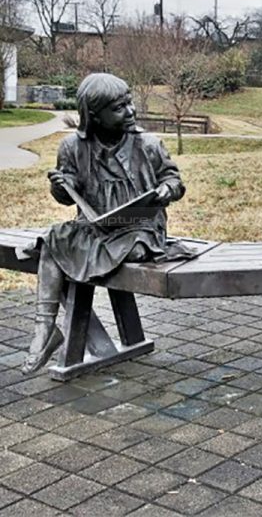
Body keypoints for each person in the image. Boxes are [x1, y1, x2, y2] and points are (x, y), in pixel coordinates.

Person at [22, 73, 197, 375]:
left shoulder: (148, 144)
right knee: (54, 238)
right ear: (94, 117)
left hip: (139, 228)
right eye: (118, 108)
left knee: (135, 250)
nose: (130, 112)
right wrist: (62, 186)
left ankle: (56, 330)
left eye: (129, 103)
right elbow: (66, 198)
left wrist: (168, 189)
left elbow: (173, 179)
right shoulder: (73, 148)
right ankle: (45, 327)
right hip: (95, 228)